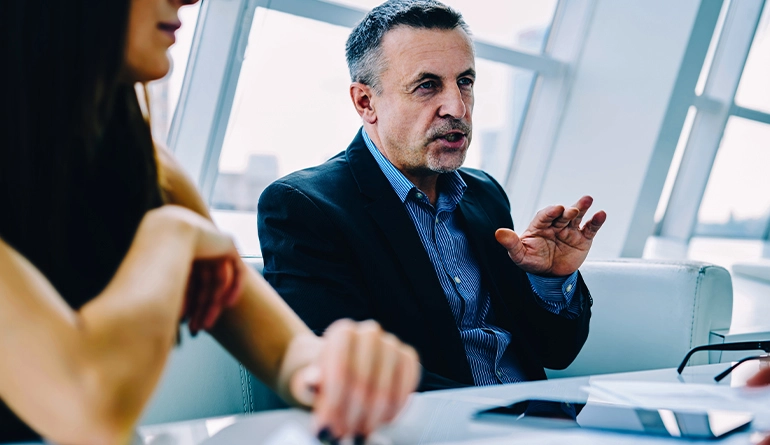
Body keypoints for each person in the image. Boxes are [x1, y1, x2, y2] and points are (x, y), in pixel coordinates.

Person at [0, 0, 419, 443]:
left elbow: (287, 351)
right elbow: (86, 410)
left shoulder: (146, 167)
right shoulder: (168, 212)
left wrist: (340, 365)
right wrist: (172, 233)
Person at [258, 0, 607, 391]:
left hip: (542, 422)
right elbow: (347, 373)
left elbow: (555, 353)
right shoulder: (304, 208)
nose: (457, 107)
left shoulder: (485, 195)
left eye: (466, 82)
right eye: (427, 86)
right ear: (365, 102)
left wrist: (551, 281)